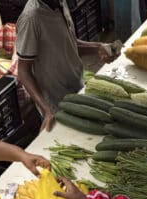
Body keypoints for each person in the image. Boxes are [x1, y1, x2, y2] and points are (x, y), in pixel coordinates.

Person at [16, 0, 119, 132]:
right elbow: (23, 71)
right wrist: (46, 110)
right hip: (56, 105)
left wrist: (98, 47)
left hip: (77, 88)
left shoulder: (60, 3)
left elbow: (68, 43)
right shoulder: (31, 18)